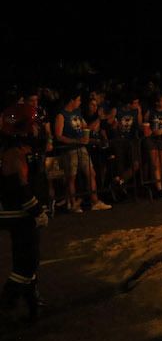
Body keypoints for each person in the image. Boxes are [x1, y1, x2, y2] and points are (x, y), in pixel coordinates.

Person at [0, 103, 49, 321]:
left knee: (29, 260)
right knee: (26, 263)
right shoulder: (13, 150)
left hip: (20, 212)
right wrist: (36, 209)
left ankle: (32, 303)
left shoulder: (17, 147)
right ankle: (7, 302)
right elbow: (19, 185)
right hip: (19, 213)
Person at [53, 92, 111, 213]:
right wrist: (75, 140)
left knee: (91, 173)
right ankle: (73, 204)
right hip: (69, 149)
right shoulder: (61, 115)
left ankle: (94, 201)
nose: (79, 103)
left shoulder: (77, 112)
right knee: (71, 177)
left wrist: (89, 137)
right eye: (78, 100)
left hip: (81, 147)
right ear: (71, 100)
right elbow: (58, 136)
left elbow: (85, 126)